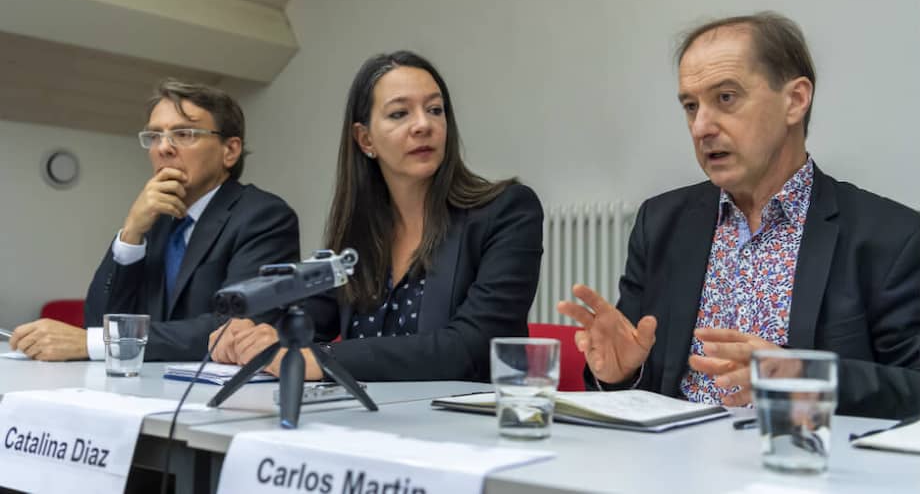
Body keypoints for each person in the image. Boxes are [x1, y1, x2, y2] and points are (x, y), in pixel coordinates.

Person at [558, 12, 920, 419]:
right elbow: (635, 385)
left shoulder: (890, 237)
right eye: (691, 106)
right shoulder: (661, 223)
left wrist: (807, 377)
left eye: (725, 98)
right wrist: (623, 373)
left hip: (799, 468)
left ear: (796, 100)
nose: (701, 127)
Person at [210, 51, 543, 381]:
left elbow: (471, 347)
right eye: (400, 113)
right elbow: (311, 318)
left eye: (435, 110)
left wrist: (322, 359)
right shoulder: (360, 233)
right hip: (366, 424)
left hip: (461, 425)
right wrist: (255, 334)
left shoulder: (508, 211)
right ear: (365, 139)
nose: (423, 125)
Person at [10, 79, 300, 361]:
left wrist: (97, 343)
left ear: (230, 151)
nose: (163, 148)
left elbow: (235, 329)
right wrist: (131, 233)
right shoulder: (153, 221)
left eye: (184, 134)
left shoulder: (264, 216)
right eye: (154, 136)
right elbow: (99, 322)